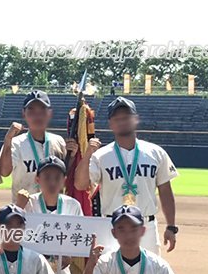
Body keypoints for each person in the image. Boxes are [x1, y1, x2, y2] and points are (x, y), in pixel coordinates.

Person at [74, 96, 179, 254]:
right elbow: (80, 184)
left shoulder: (156, 153)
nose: (122, 121)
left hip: (146, 227)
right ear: (111, 123)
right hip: (112, 226)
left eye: (126, 117)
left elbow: (165, 191)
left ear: (135, 119)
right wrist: (88, 153)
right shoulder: (101, 156)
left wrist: (171, 226)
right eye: (117, 118)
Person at [0, 89, 67, 198]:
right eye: (32, 111)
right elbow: (4, 172)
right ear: (24, 113)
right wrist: (7, 141)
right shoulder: (15, 143)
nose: (37, 116)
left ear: (50, 113)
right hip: (24, 209)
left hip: (54, 211)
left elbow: (66, 175)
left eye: (42, 111)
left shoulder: (59, 142)